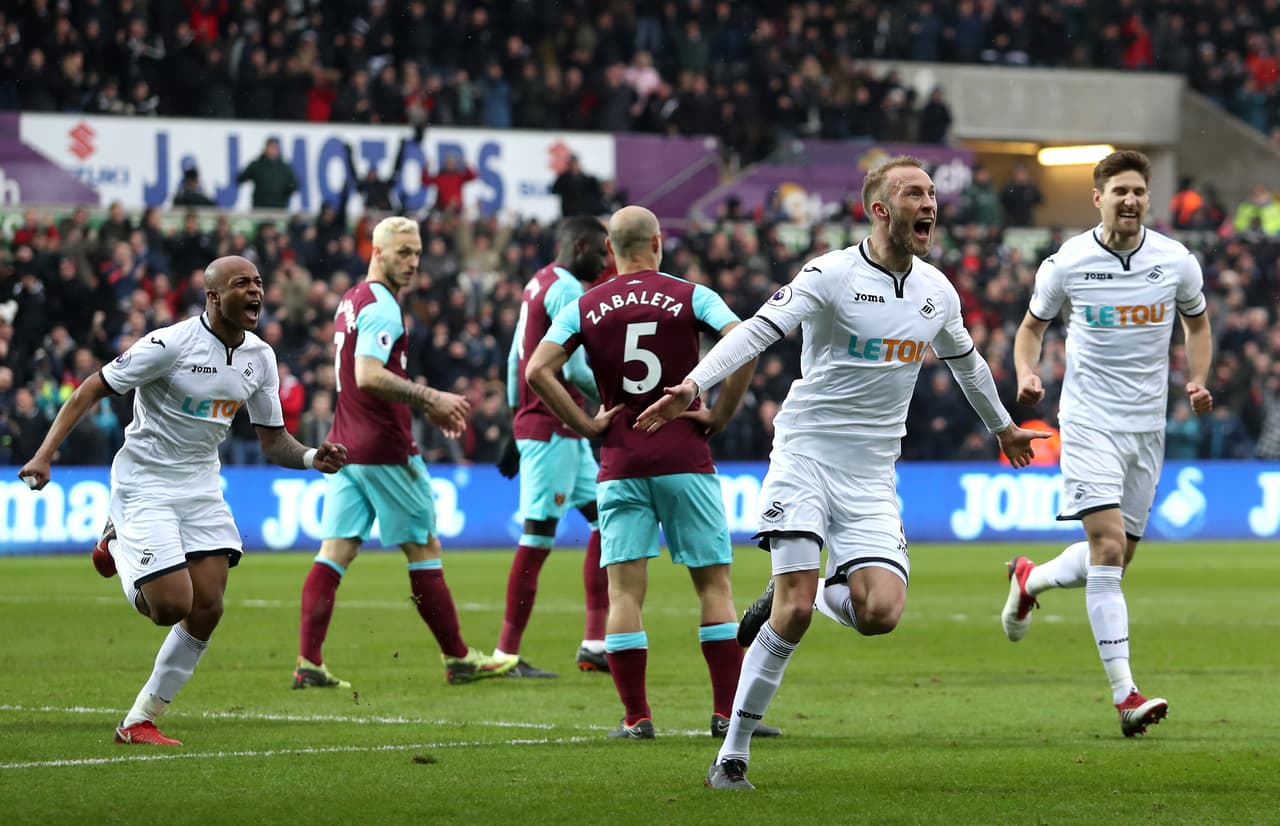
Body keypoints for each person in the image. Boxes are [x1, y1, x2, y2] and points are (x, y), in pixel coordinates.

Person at [634, 157, 1047, 789]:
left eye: (933, 193)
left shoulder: (938, 291)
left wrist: (1003, 427)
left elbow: (967, 366)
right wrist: (692, 383)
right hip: (806, 455)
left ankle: (795, 591)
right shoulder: (829, 274)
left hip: (872, 474)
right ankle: (733, 754)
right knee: (796, 611)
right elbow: (756, 333)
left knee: (880, 612)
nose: (930, 203)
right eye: (915, 193)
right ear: (880, 209)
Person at [18, 256, 348, 746]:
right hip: (145, 482)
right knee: (170, 606)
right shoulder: (169, 344)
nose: (256, 291)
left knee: (208, 606)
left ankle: (139, 720)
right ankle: (117, 540)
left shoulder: (260, 358)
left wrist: (309, 458)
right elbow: (92, 389)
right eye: (242, 284)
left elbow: (274, 440)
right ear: (213, 297)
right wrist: (45, 455)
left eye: (258, 283)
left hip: (201, 486)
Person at [527, 205, 776, 741]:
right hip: (685, 455)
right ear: (658, 242)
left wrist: (587, 425)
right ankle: (726, 717)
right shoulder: (692, 295)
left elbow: (537, 370)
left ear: (611, 249)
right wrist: (719, 414)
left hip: (620, 461)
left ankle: (636, 718)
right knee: (714, 587)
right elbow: (747, 342)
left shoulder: (585, 304)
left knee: (624, 595)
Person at [1001, 149, 1213, 737]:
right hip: (1089, 421)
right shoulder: (1067, 263)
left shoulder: (1175, 260)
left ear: (1149, 198)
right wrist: (1027, 373)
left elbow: (1197, 323)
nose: (1130, 200)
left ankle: (1031, 579)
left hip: (1148, 428)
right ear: (1098, 198)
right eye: (1119, 191)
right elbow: (1030, 329)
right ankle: (1126, 694)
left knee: (1113, 560)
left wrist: (1197, 378)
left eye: (1139, 192)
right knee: (1110, 549)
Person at [293, 216, 517, 689]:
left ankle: (308, 663)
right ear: (377, 251)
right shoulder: (382, 307)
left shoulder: (352, 300)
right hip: (384, 447)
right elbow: (369, 375)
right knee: (424, 548)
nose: (413, 262)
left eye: (416, 253)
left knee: (335, 550)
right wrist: (432, 398)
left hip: (345, 443)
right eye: (403, 253)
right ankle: (458, 658)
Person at [493, 216, 612, 678]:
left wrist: (510, 420)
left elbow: (513, 358)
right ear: (580, 245)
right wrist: (620, 400)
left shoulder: (537, 283)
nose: (604, 264)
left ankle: (595, 643)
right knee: (538, 536)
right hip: (553, 426)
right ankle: (505, 653)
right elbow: (577, 370)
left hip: (555, 430)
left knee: (607, 518)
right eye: (600, 254)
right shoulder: (565, 289)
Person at [236, 138, 299, 210]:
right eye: (271, 147)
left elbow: (294, 185)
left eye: (275, 148)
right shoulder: (257, 166)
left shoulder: (284, 168)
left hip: (279, 207)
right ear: (266, 149)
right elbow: (241, 178)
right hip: (260, 207)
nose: (273, 150)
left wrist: (284, 194)